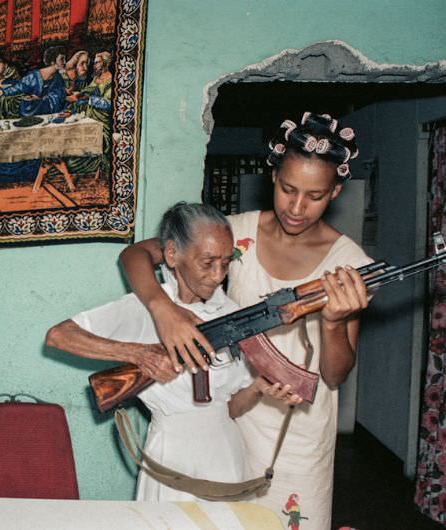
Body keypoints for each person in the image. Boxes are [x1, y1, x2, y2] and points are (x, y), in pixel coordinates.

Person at [118, 113, 371, 529]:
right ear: (272, 176)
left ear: (336, 192)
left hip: (300, 432)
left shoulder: (350, 263)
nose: (296, 207)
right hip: (229, 417)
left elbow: (335, 374)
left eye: (315, 196)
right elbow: (136, 255)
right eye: (288, 189)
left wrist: (332, 322)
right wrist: (163, 310)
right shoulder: (234, 235)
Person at [47, 202, 301, 501]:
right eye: (207, 262)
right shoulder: (148, 307)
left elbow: (229, 408)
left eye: (226, 262)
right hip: (172, 458)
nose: (218, 275)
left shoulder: (230, 313)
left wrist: (258, 388)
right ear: (172, 254)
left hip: (226, 457)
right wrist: (139, 354)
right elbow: (59, 336)